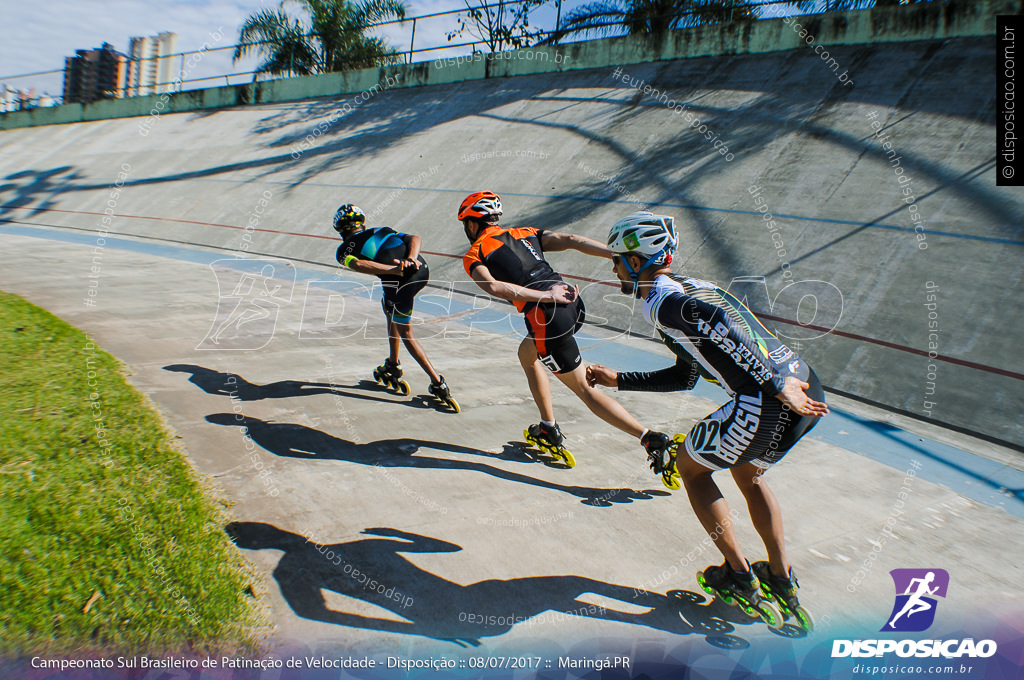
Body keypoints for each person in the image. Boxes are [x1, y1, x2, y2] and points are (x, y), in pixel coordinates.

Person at [588, 211, 830, 630]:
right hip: (805, 383)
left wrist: (774, 385)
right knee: (747, 473)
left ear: (637, 260)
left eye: (616, 258)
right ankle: (779, 576)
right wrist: (620, 379)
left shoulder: (662, 301)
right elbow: (685, 375)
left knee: (689, 468)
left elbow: (715, 322)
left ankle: (738, 575)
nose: (612, 267)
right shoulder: (697, 286)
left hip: (769, 395)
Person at [458, 191, 668, 466]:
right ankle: (548, 427)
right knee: (526, 355)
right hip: (572, 302)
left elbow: (494, 287)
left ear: (472, 224)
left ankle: (649, 438)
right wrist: (619, 256)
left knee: (585, 389)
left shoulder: (475, 252)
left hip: (548, 314)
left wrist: (546, 297)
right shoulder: (526, 232)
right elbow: (572, 240)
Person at [332, 204, 458, 412]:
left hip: (400, 281)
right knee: (388, 307)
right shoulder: (382, 229)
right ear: (362, 222)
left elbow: (359, 265)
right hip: (420, 268)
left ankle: (438, 383)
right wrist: (412, 258)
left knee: (405, 330)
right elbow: (414, 238)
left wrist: (394, 270)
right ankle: (393, 363)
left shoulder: (343, 250)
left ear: (340, 229)